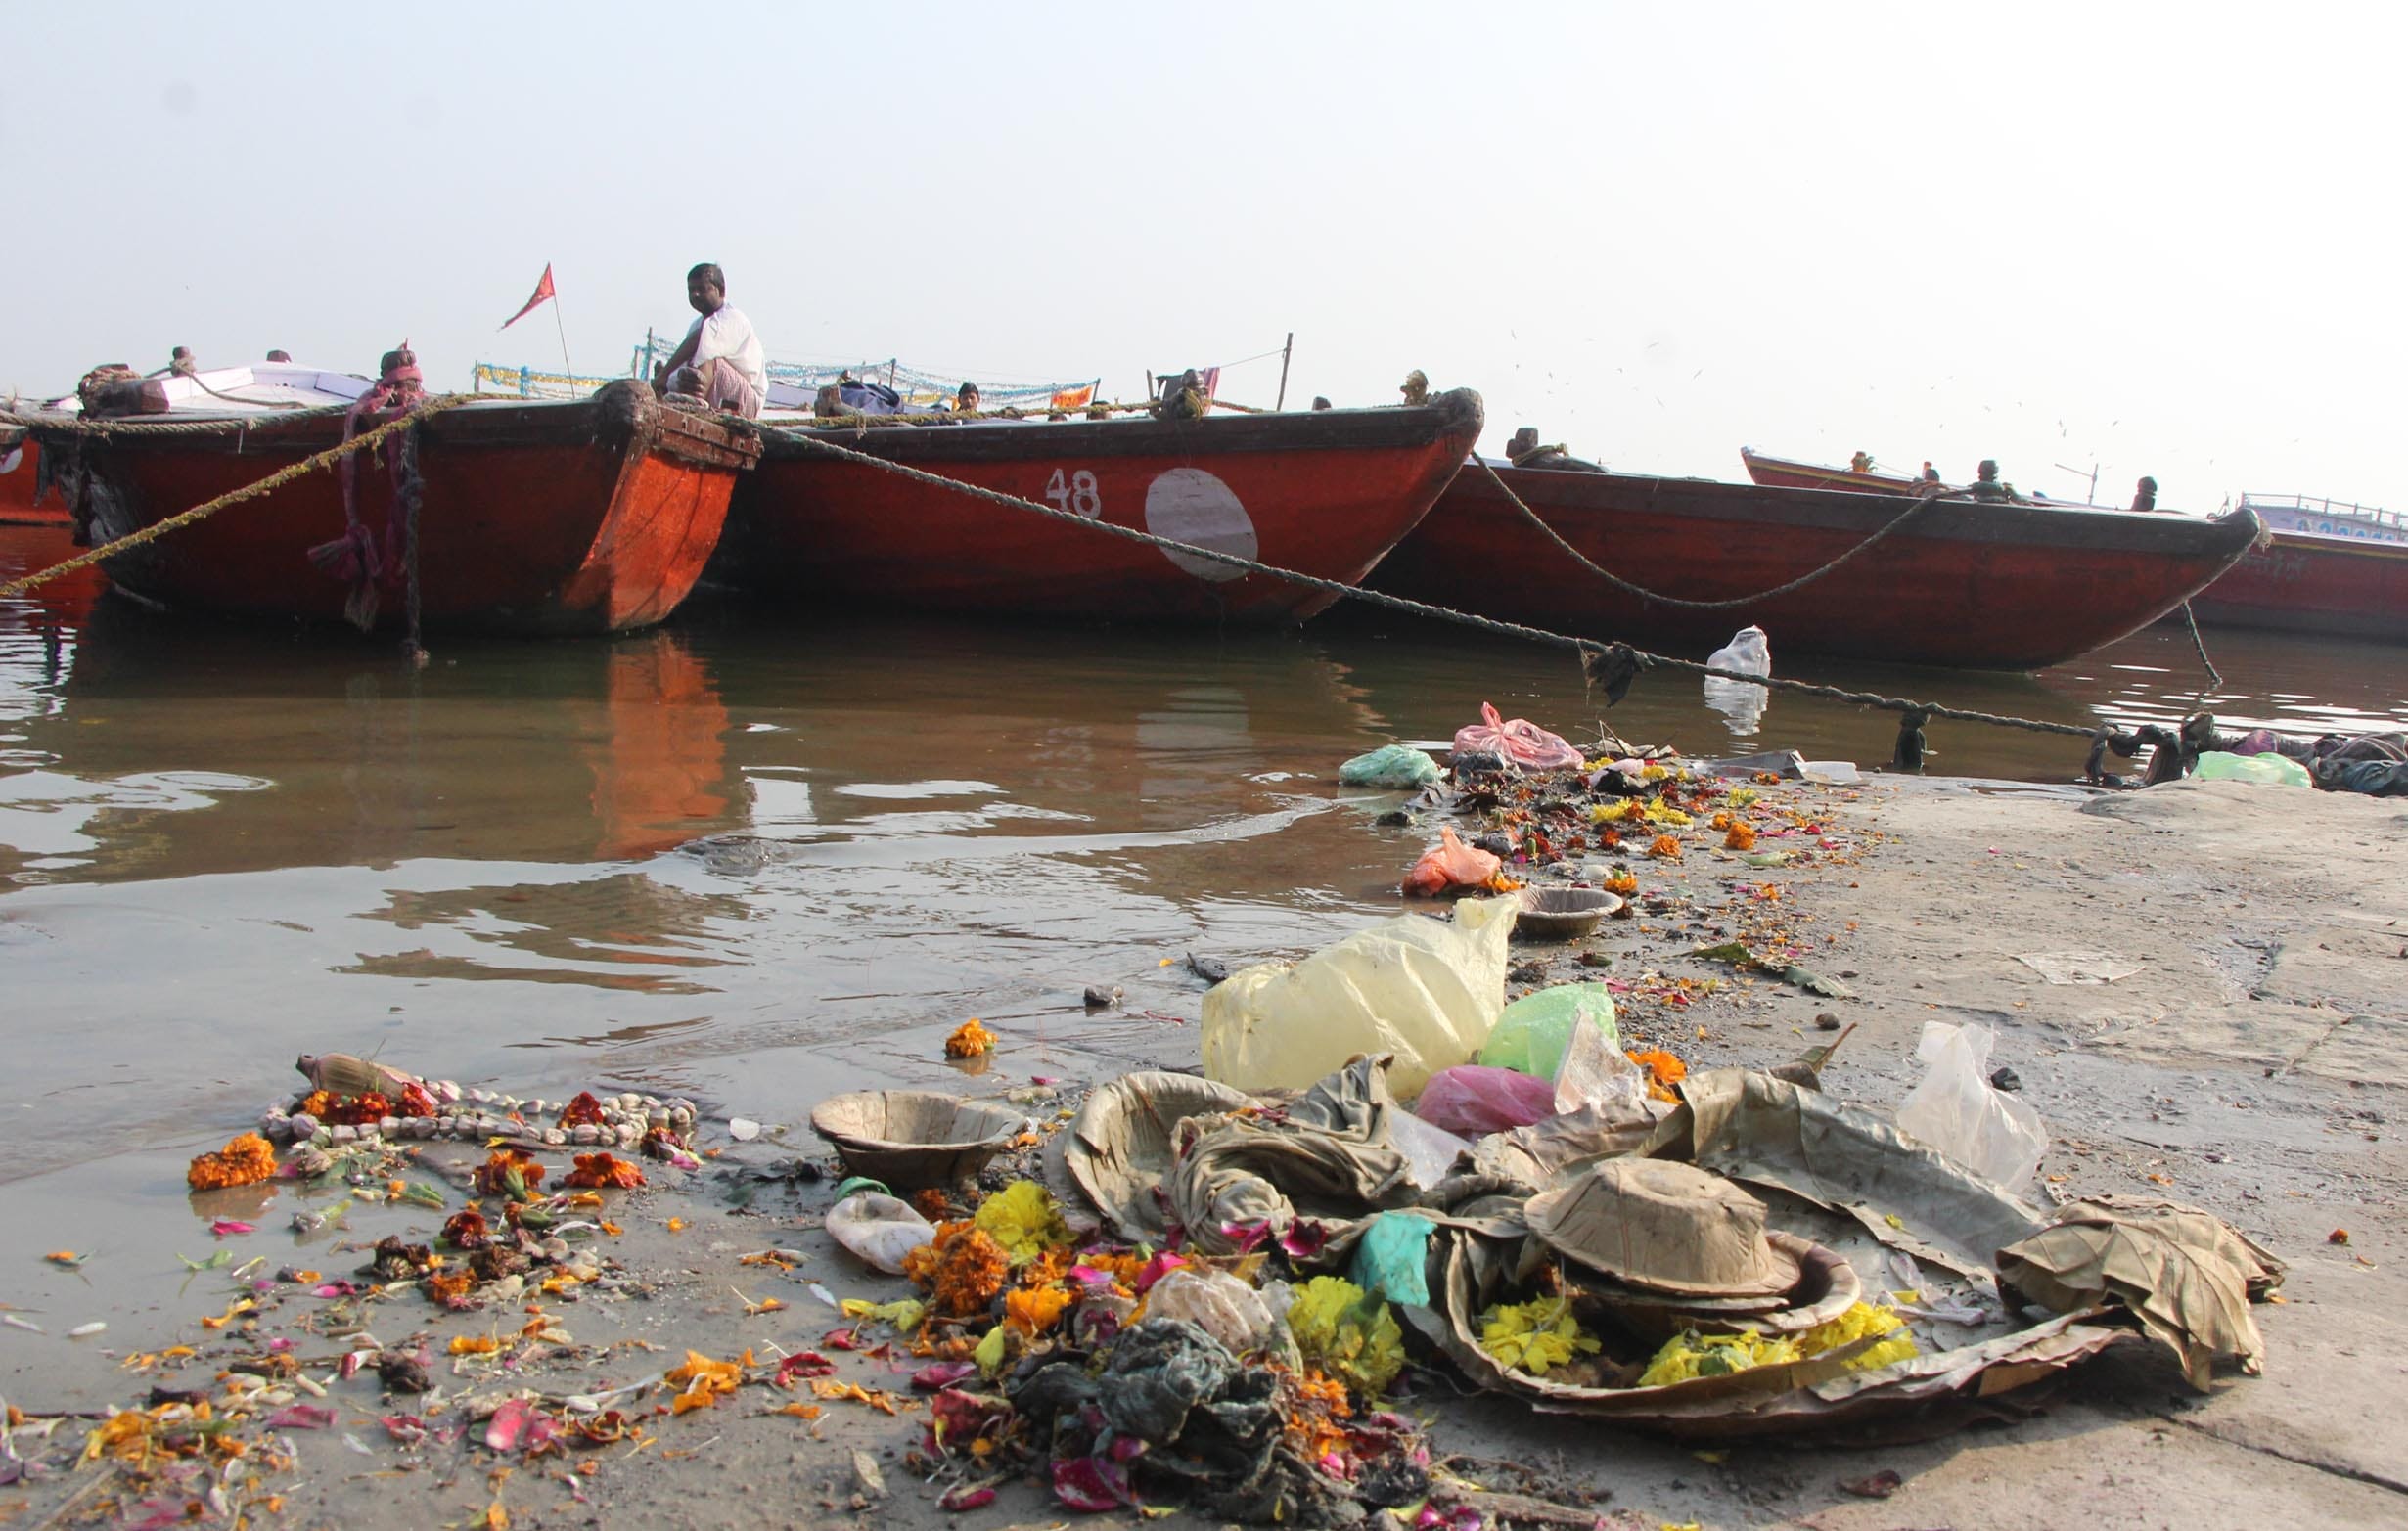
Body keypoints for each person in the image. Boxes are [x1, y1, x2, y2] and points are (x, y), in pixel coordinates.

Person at [651, 263, 766, 418]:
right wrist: (664, 379)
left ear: (721, 291)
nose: (695, 295)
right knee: (684, 372)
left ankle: (693, 409)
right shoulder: (696, 324)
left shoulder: (733, 318)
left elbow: (700, 341)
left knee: (706, 357)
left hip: (748, 400)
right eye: (691, 290)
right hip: (715, 393)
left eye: (702, 289)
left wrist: (664, 375)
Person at [1505, 425, 1605, 473]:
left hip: (1560, 463)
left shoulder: (1538, 455)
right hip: (1557, 464)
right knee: (1565, 463)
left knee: (1598, 470)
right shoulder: (1524, 460)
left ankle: (1598, 471)